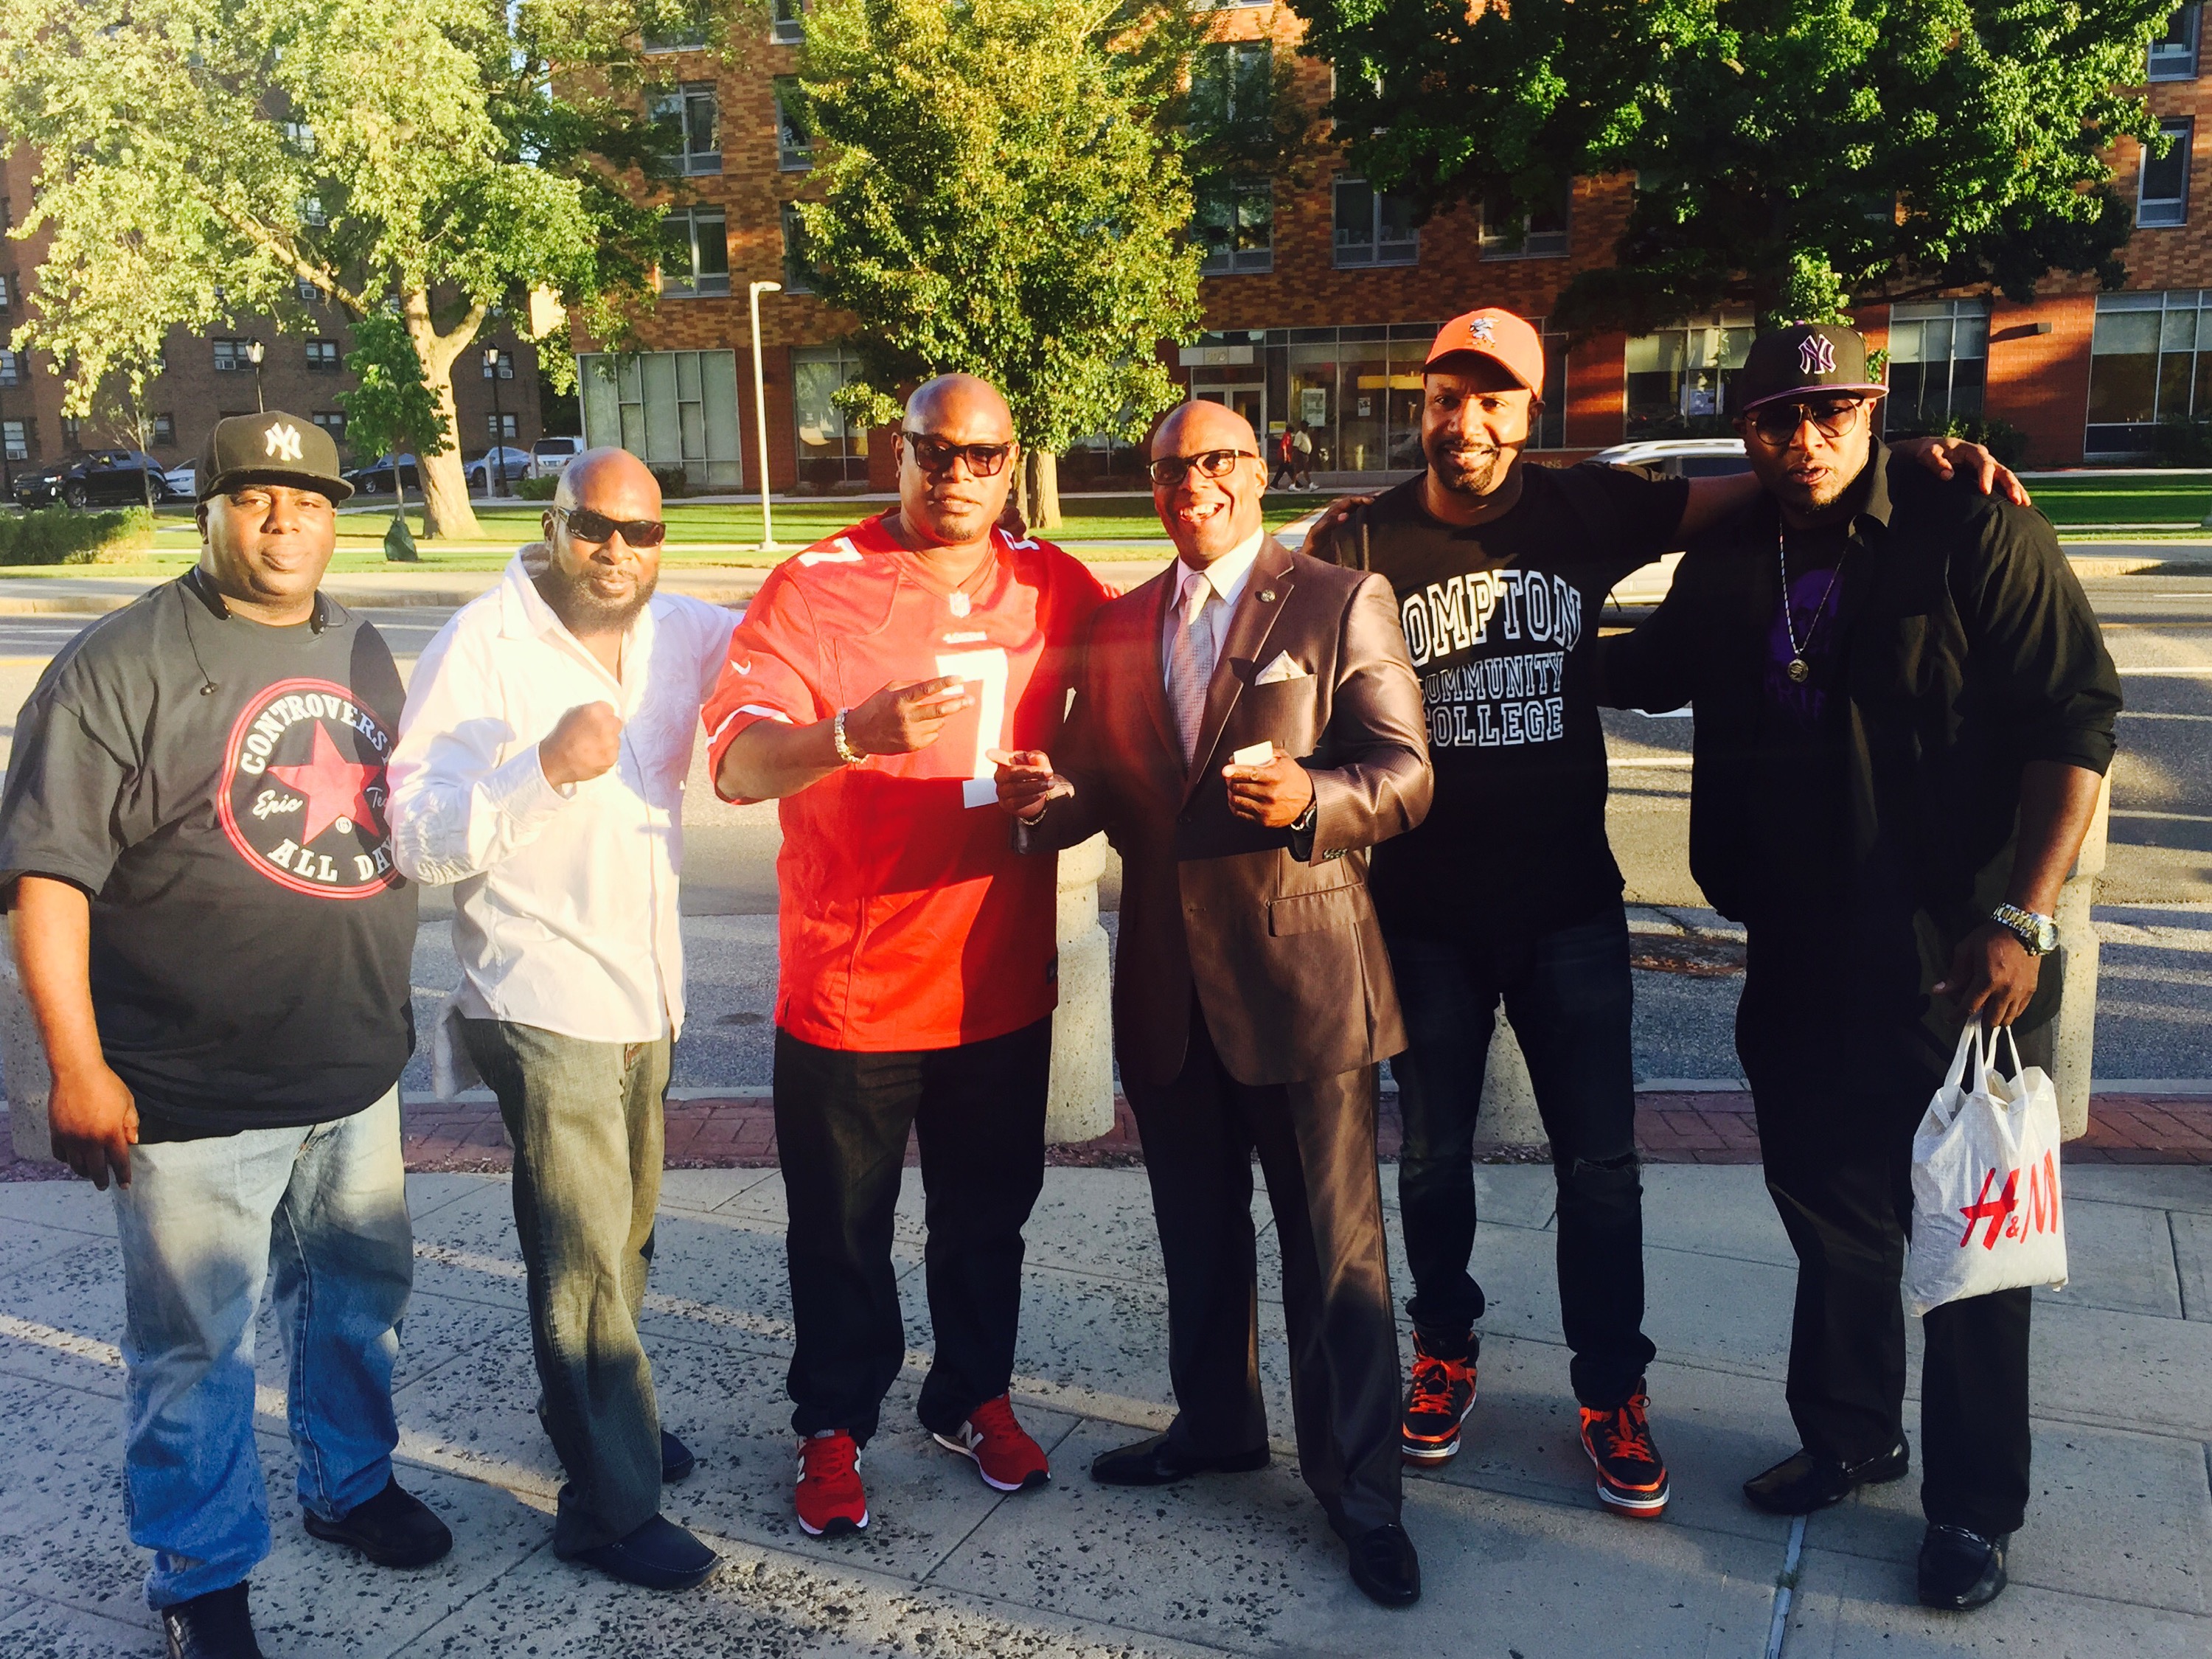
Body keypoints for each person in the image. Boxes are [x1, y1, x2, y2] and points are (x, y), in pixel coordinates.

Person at [1302, 307, 2029, 1520]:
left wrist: (1902, 457)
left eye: (1493, 398)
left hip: (1571, 914)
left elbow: (1760, 479)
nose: (1466, 420)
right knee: (1428, 1161)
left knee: (1602, 1171)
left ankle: (1611, 1390)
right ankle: (1446, 1349)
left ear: (1531, 412)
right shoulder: (1362, 535)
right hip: (1421, 918)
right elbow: (1295, 657)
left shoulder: (1588, 506)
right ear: (1418, 405)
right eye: (1445, 397)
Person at [1599, 323, 2119, 1610]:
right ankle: (1850, 1435)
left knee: (1971, 1238)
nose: (1807, 437)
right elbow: (1645, 668)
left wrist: (2025, 919)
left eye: (1832, 410)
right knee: (1831, 1215)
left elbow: (2074, 717)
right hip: (1794, 942)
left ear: (1873, 410)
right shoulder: (1735, 555)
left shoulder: (1970, 526)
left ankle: (1974, 1510)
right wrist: (1486, 634)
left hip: (1960, 953)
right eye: (1779, 416)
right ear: (1748, 431)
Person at [0, 414, 446, 1659]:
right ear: (206, 511)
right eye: (254, 496)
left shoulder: (358, 647)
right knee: (195, 1348)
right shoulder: (118, 664)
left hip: (353, 1072)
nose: (284, 519)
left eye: (310, 498)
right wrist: (76, 1068)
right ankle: (201, 1575)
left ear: (337, 516)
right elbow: (46, 880)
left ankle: (349, 1483)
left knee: (357, 1303)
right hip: (188, 1091)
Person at [993, 398, 1432, 1607]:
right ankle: (1219, 1425)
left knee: (1335, 1254)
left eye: (1219, 460)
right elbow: (1103, 791)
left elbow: (1405, 775)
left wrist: (1312, 801)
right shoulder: (1120, 624)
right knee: (1197, 1232)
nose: (1195, 483)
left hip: (1306, 985)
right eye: (1171, 467)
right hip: (1168, 990)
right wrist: (1042, 798)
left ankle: (1363, 1494)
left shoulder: (1339, 600)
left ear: (1259, 469)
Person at [706, 374, 1107, 1539]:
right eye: (937, 450)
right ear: (902, 450)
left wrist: (1059, 782)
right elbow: (734, 764)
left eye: (984, 455)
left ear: (1012, 462)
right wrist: (849, 733)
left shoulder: (1054, 581)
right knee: (841, 1234)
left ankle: (972, 1395)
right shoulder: (816, 583)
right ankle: (832, 1424)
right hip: (855, 985)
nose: (959, 475)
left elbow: (1139, 689)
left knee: (987, 1220)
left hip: (996, 978)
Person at [386, 448, 736, 1593]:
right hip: (539, 993)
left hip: (647, 987)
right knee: (582, 1256)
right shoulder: (482, 647)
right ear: (553, 524)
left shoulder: (682, 628)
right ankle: (607, 1510)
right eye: (594, 526)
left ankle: (597, 1420)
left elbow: (796, 637)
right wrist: (539, 767)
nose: (618, 550)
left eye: (643, 531)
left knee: (626, 1237)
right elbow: (415, 833)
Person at [1290, 421, 1315, 490]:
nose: (1307, 427)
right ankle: (1310, 484)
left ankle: (1292, 485)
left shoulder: (1305, 434)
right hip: (1301, 455)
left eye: (1307, 426)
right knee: (1304, 469)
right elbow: (1296, 446)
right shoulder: (1299, 434)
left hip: (1306, 455)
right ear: (1302, 426)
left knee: (1299, 470)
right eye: (1306, 426)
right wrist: (1296, 456)